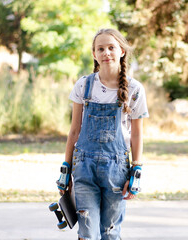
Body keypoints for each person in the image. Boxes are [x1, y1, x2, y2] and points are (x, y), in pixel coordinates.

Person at [57, 28, 149, 240]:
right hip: (84, 169)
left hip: (116, 170)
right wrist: (65, 169)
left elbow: (137, 135)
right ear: (94, 54)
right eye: (101, 48)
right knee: (87, 233)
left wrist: (136, 171)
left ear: (122, 51)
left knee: (110, 232)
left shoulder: (135, 89)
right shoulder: (84, 85)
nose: (106, 52)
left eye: (111, 47)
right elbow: (74, 131)